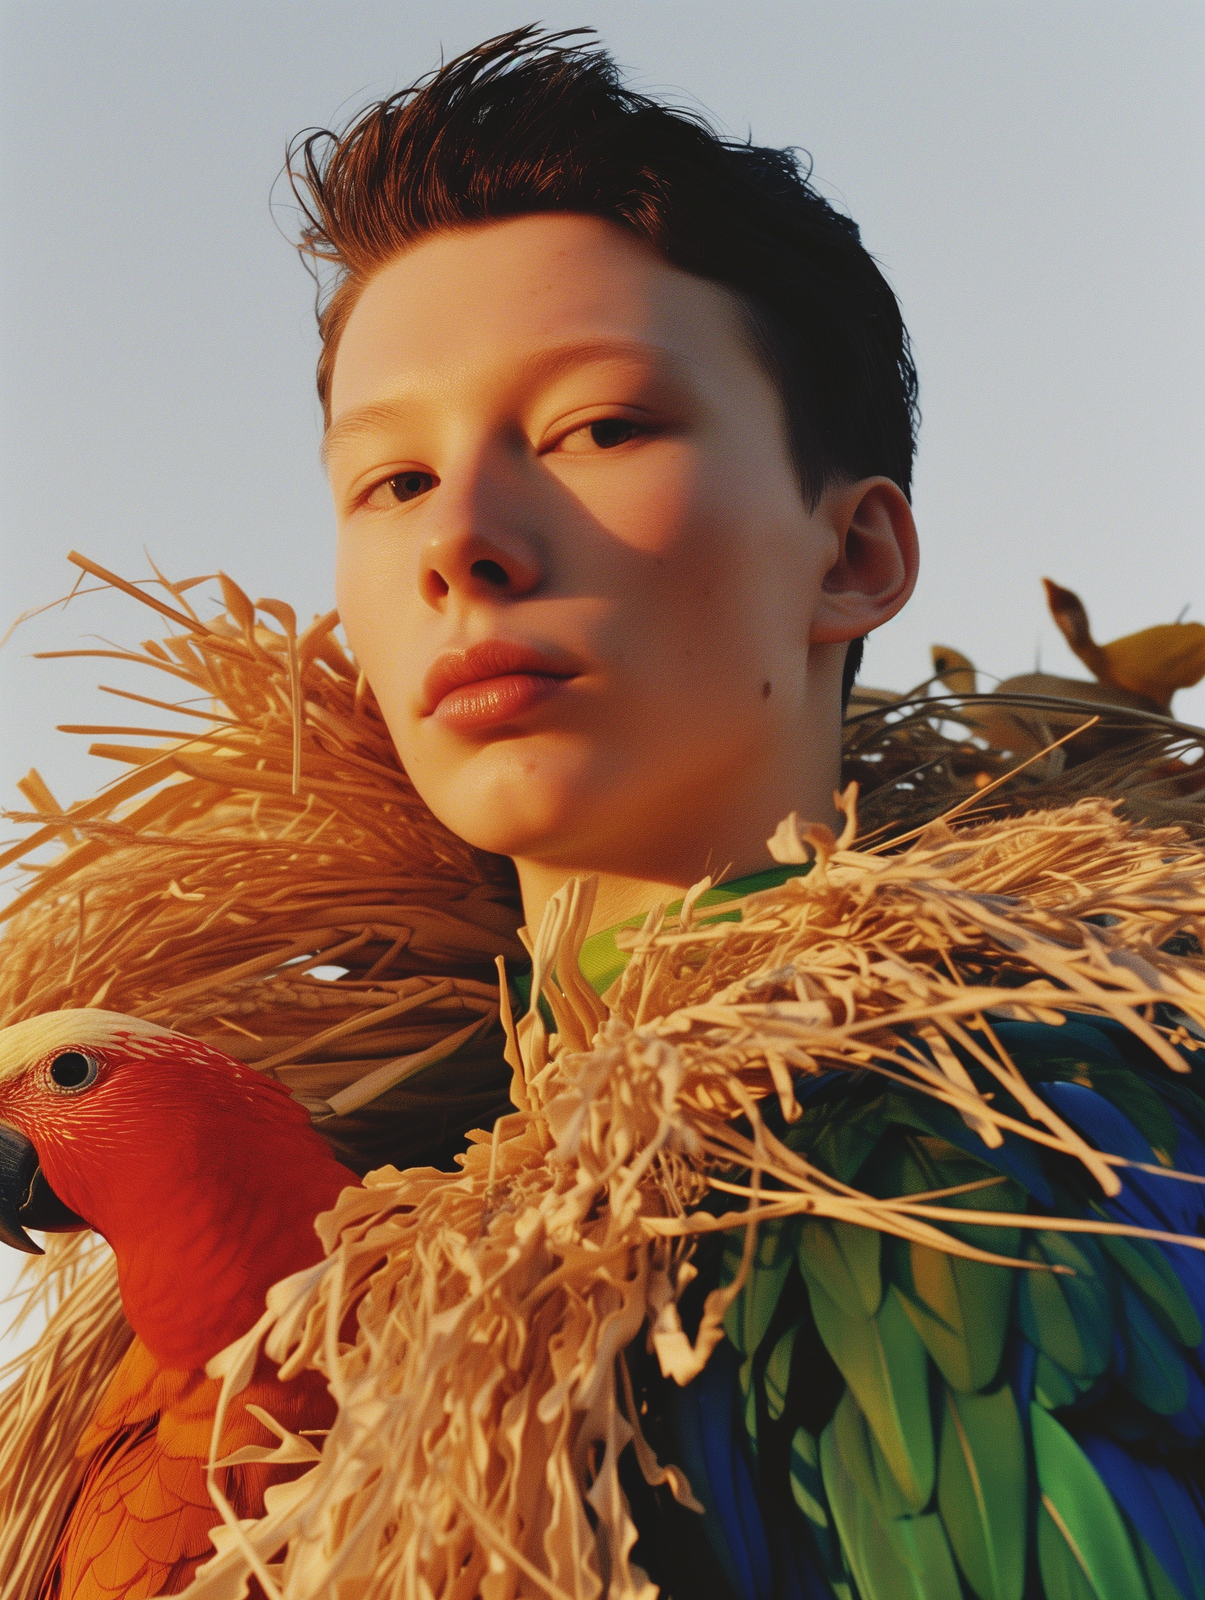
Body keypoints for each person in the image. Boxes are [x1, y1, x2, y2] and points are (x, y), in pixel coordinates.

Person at [1, 26, 1203, 1600]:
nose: (467, 543)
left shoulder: (987, 1121)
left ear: (853, 558)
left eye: (597, 428)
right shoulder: (264, 1272)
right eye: (391, 482)